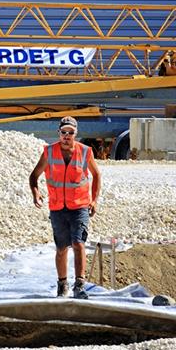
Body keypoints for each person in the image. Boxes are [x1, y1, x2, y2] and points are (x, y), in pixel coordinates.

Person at [29, 116, 101, 299]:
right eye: (64, 132)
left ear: (76, 134)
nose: (67, 136)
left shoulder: (85, 152)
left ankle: (80, 284)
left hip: (79, 207)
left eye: (71, 133)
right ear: (58, 133)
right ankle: (62, 284)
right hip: (57, 207)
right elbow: (34, 175)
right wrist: (35, 192)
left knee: (78, 243)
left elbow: (96, 175)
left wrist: (94, 200)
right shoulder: (49, 152)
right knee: (61, 247)